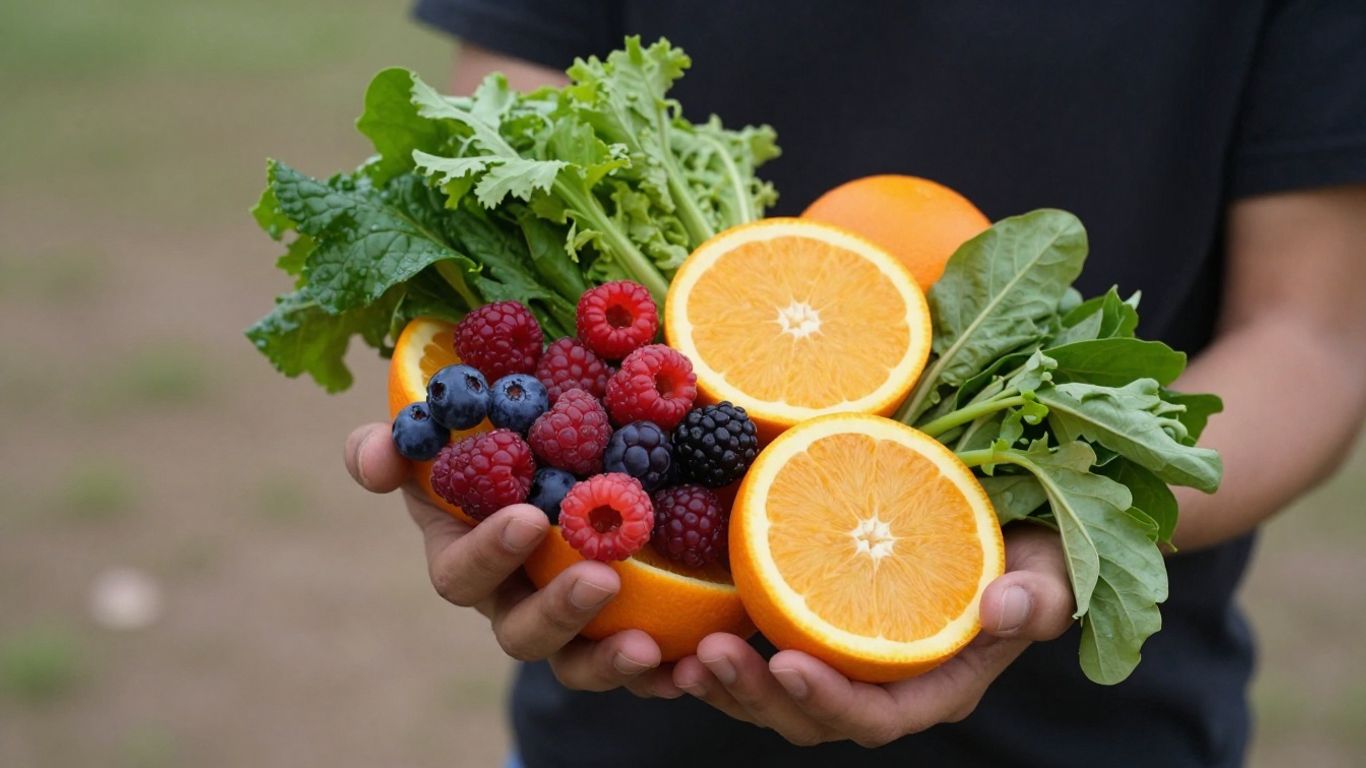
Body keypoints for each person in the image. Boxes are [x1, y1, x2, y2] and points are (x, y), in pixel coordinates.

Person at [343, 2, 1366, 765]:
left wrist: (1071, 526)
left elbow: (1313, 337)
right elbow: (497, 144)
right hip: (630, 679)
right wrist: (502, 455)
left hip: (1094, 736)